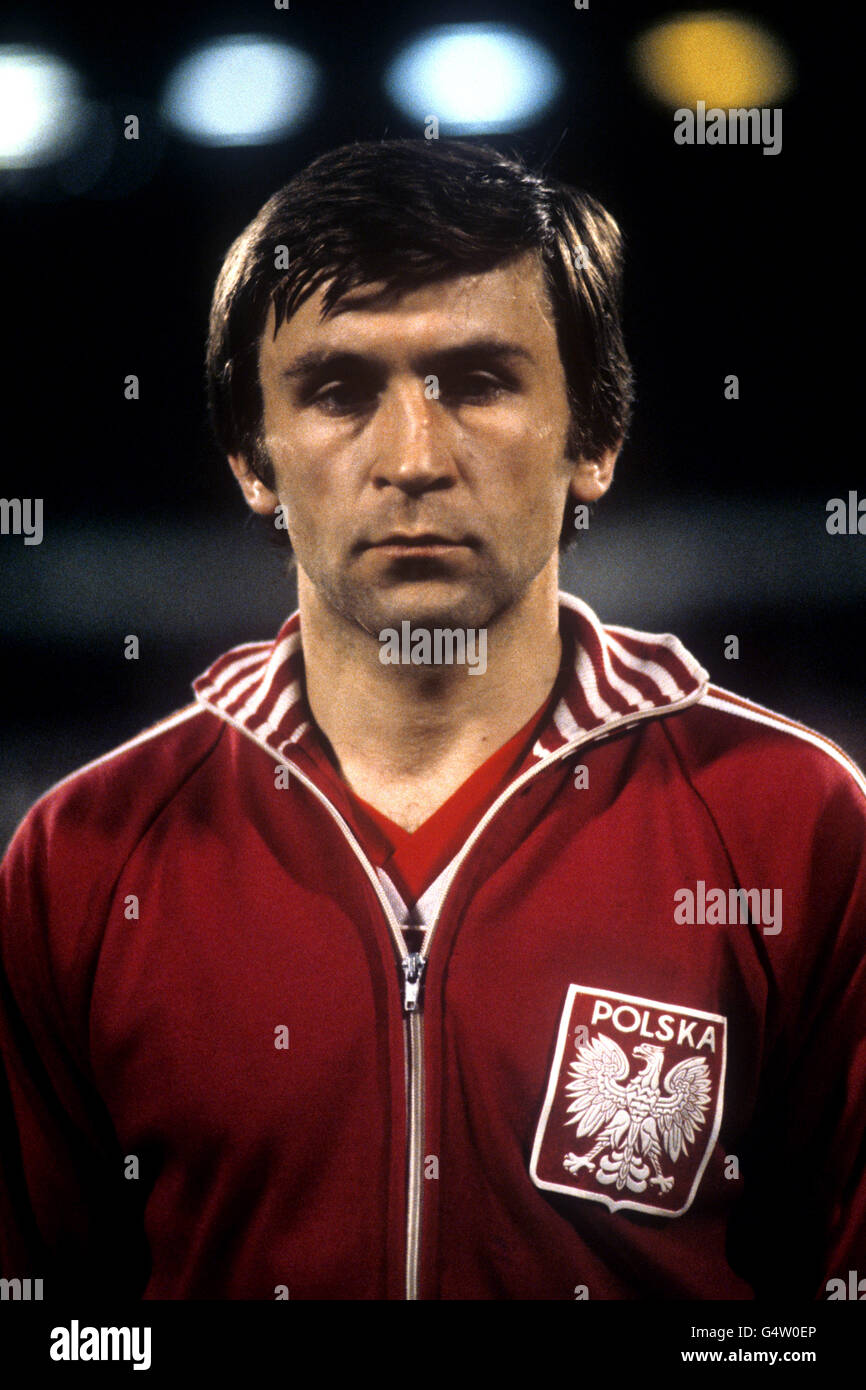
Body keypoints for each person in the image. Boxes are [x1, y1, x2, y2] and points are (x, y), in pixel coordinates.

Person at [0, 139, 863, 1302]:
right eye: (340, 390)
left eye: (479, 380)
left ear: (593, 439)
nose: (413, 458)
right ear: (254, 457)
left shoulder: (792, 825)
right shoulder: (84, 855)